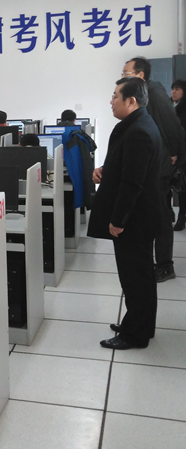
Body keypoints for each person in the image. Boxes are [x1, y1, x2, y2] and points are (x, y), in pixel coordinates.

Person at [88, 77, 162, 350]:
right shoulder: (137, 124)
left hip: (134, 219)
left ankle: (135, 334)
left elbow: (133, 184)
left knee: (135, 278)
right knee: (139, 276)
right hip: (139, 216)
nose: (111, 101)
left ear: (131, 101)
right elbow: (128, 167)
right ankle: (141, 325)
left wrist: (118, 221)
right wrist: (104, 171)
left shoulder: (138, 131)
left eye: (115, 96)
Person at [122, 56, 186, 282]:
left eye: (126, 73)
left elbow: (173, 125)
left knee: (161, 216)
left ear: (140, 75)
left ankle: (165, 265)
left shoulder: (155, 93)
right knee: (152, 214)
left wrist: (175, 154)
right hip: (153, 164)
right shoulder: (144, 94)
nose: (123, 77)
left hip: (160, 165)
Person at [171, 79, 186, 231]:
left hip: (183, 155)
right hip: (173, 154)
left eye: (177, 89)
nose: (173, 92)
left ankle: (182, 217)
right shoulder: (170, 106)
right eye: (173, 89)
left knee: (183, 188)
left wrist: (179, 155)